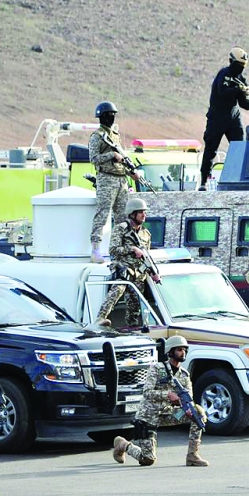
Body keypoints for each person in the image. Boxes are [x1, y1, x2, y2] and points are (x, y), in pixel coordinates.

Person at [112, 335, 208, 467]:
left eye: (185, 350)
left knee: (198, 414)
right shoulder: (157, 369)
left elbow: (188, 396)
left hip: (168, 414)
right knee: (147, 459)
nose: (183, 352)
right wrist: (168, 395)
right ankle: (123, 444)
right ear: (170, 351)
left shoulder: (184, 375)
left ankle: (192, 456)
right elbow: (147, 392)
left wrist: (185, 405)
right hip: (148, 417)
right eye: (179, 349)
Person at [96, 197, 161, 328]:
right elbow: (113, 250)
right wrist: (131, 249)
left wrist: (154, 272)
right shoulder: (121, 229)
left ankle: (132, 328)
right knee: (117, 290)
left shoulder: (146, 234)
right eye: (141, 212)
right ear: (132, 213)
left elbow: (146, 257)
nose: (144, 215)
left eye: (145, 212)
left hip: (138, 273)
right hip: (123, 269)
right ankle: (100, 318)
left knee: (135, 303)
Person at [200, 47, 249, 189]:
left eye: (243, 66)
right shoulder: (224, 74)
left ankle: (237, 179)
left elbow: (244, 103)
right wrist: (239, 90)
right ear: (231, 61)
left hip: (233, 118)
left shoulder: (241, 79)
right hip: (217, 118)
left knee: (238, 149)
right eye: (238, 65)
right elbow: (223, 92)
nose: (240, 69)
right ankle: (204, 182)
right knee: (211, 150)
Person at [89, 100, 139, 263]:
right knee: (103, 214)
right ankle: (95, 249)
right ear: (101, 117)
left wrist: (131, 173)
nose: (111, 118)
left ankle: (120, 250)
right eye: (108, 115)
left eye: (113, 115)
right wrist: (112, 155)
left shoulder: (115, 136)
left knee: (122, 218)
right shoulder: (97, 136)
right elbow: (94, 158)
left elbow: (122, 161)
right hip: (106, 179)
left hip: (121, 180)